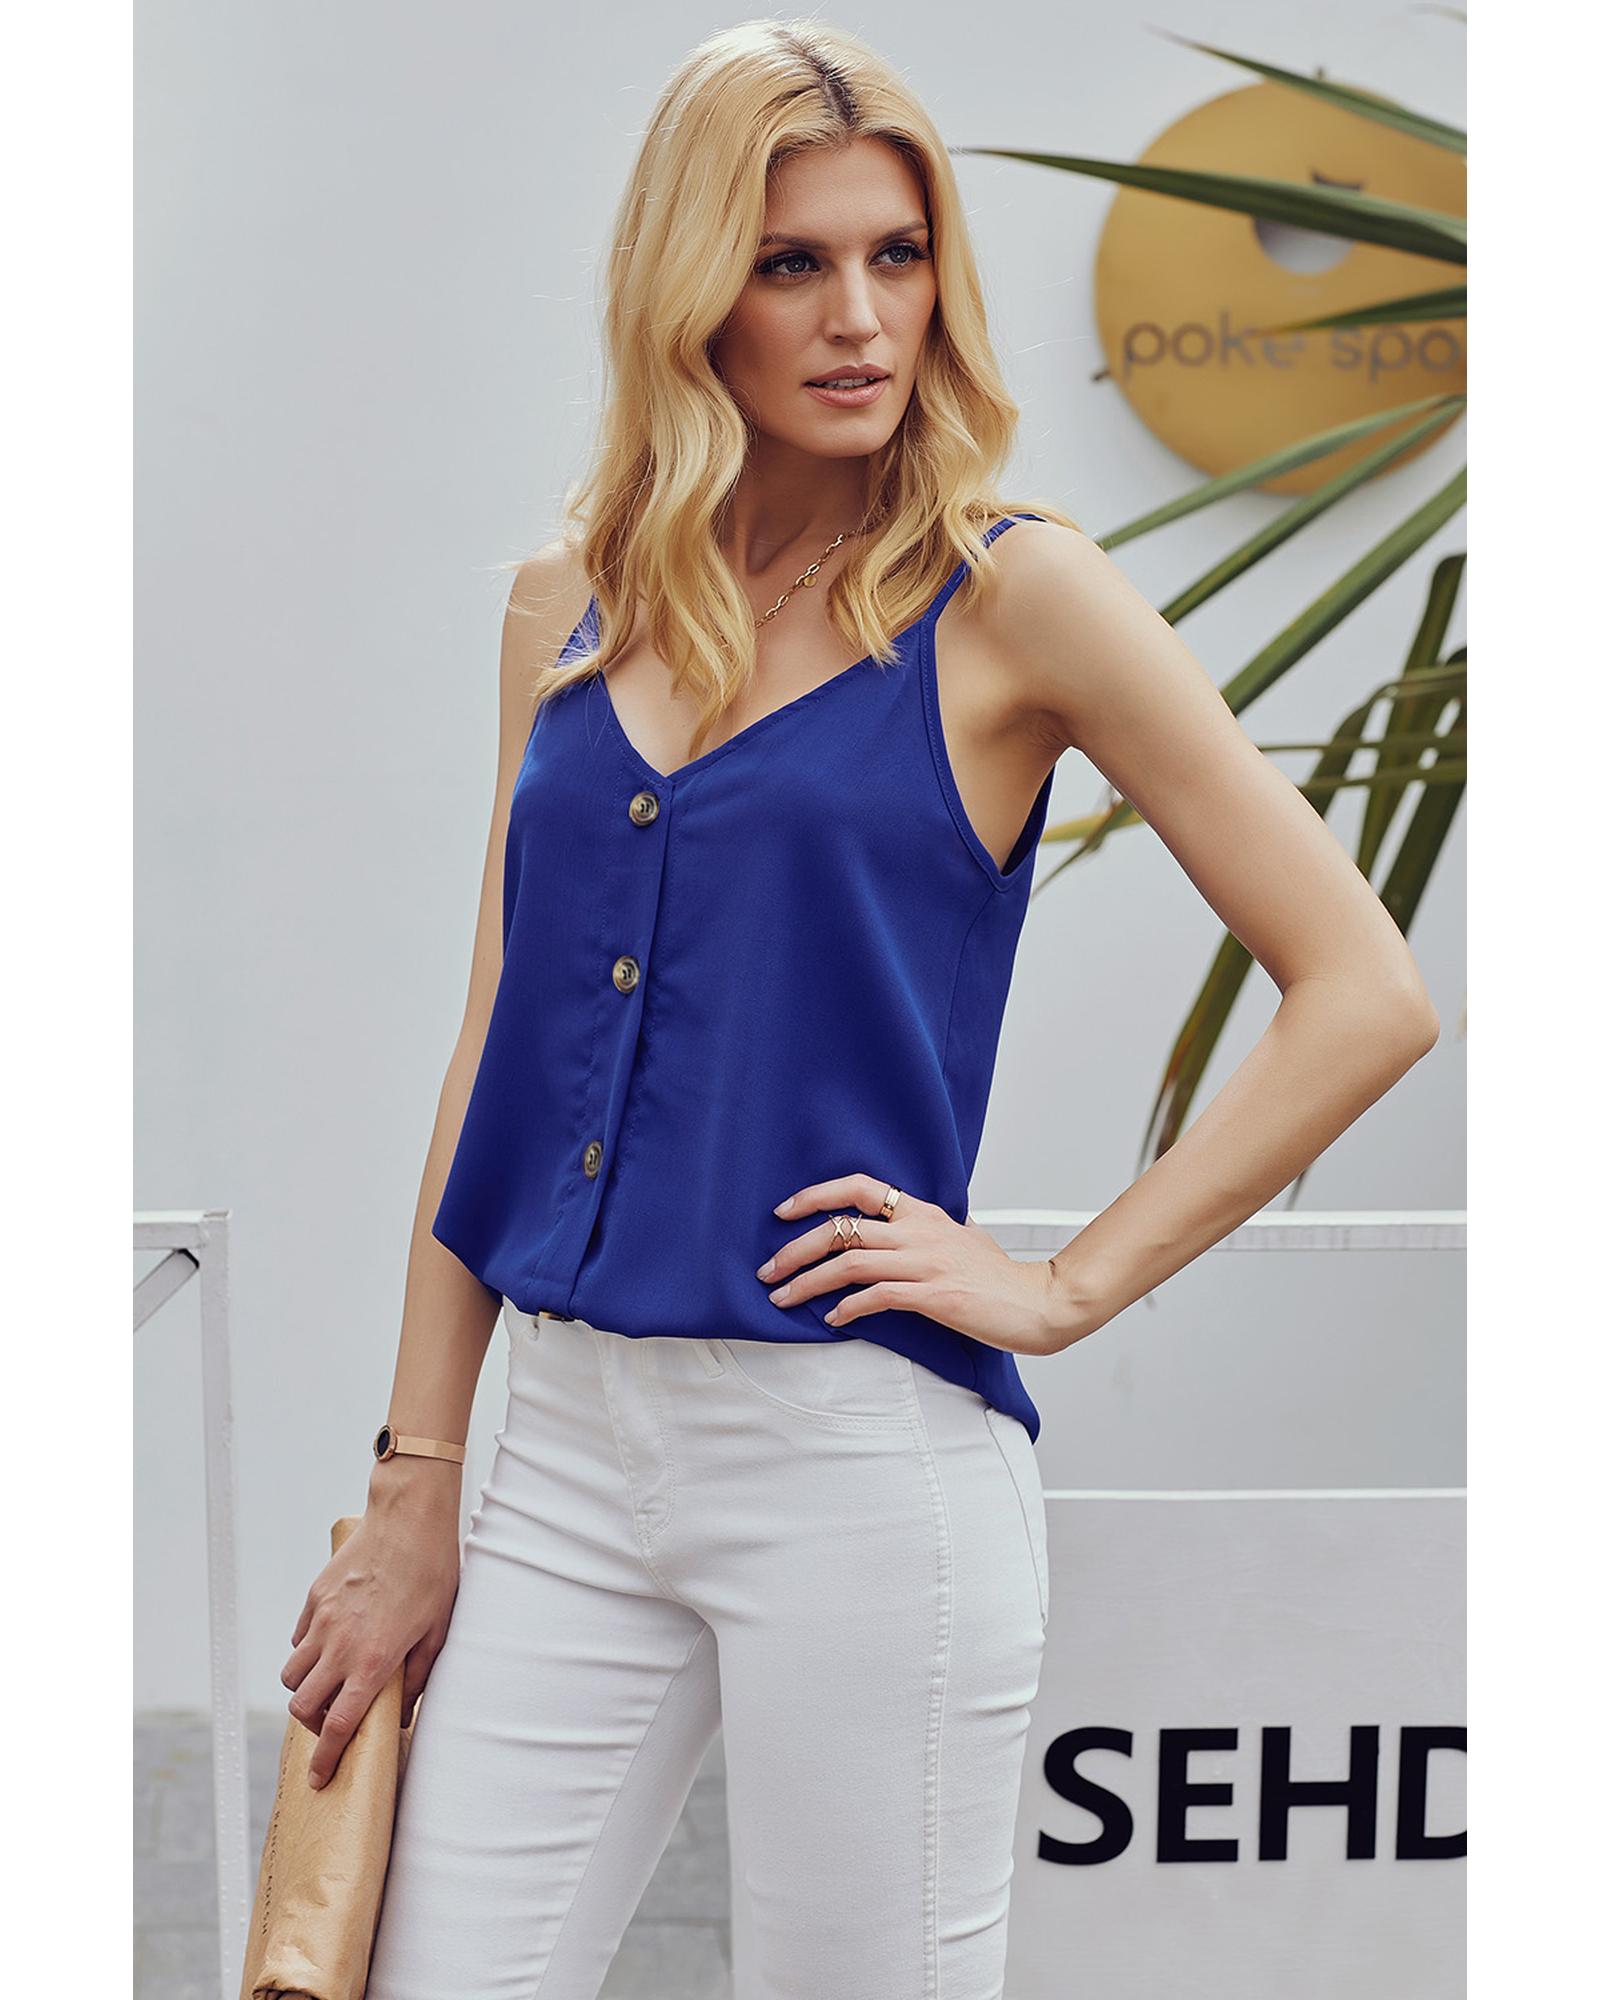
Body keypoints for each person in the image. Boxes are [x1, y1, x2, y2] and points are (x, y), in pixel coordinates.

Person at [279, 19, 1441, 1999]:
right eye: (790, 262)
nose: (857, 316)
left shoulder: (1014, 597)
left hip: (848, 1460)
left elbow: (1365, 989)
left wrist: (1060, 1287)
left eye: (897, 256)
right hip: (559, 1451)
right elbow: (499, 1046)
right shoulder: (564, 603)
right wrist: (415, 1477)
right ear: (688, 291)